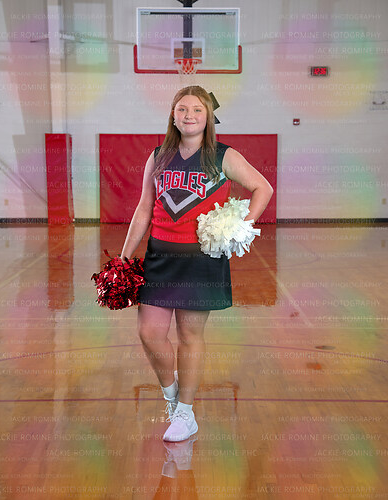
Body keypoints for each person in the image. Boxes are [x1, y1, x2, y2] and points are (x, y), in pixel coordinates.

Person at [120, 86, 273, 442]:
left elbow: (262, 188)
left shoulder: (223, 156)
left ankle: (185, 414)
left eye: (197, 110)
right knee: (149, 332)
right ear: (173, 115)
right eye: (182, 109)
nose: (189, 115)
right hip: (160, 256)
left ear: (208, 117)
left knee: (189, 336)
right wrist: (125, 255)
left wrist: (239, 228)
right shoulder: (158, 156)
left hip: (200, 259)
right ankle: (173, 398)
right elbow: (144, 208)